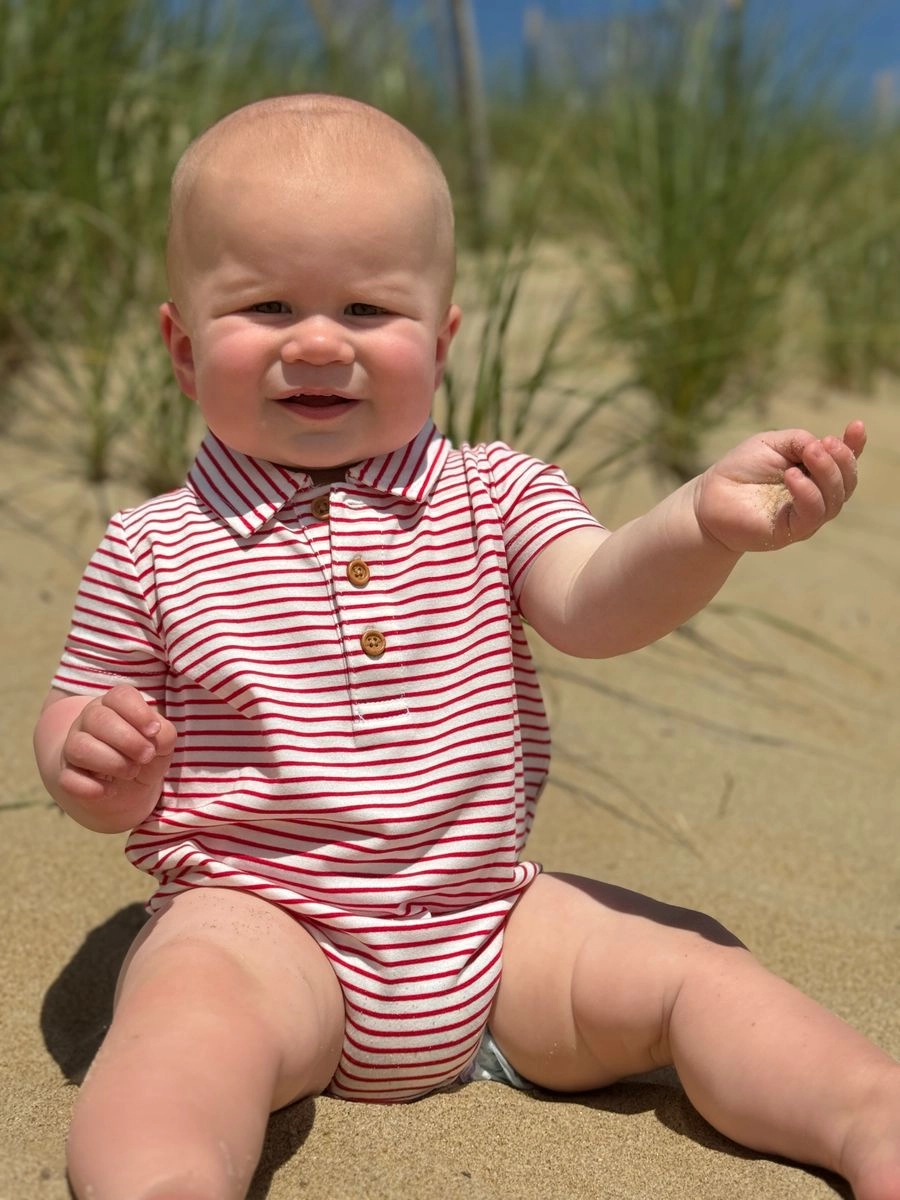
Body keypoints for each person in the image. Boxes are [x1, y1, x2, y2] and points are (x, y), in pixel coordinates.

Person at [33, 93, 899, 1200]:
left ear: (440, 342)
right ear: (183, 348)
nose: (316, 339)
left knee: (694, 968)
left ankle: (871, 1116)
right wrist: (92, 762)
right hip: (266, 921)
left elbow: (594, 601)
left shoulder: (491, 495)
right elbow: (78, 716)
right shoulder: (155, 543)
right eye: (264, 303)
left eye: (365, 306)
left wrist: (698, 526)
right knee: (186, 1021)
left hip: (489, 916)